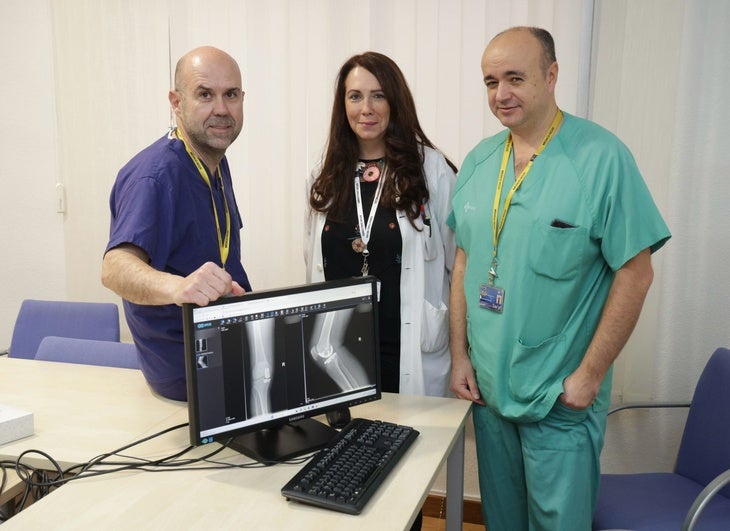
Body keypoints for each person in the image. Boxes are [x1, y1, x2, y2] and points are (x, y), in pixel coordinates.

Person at [447, 27, 671, 530]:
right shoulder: (480, 162)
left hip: (558, 397)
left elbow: (635, 273)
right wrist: (461, 356)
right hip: (489, 392)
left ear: (552, 76)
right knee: (502, 521)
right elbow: (465, 262)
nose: (500, 94)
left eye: (514, 78)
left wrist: (588, 377)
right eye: (490, 81)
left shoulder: (602, 159)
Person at [101, 46, 252, 401]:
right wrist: (180, 288)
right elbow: (114, 268)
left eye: (230, 94)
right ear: (176, 101)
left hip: (226, 362)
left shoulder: (213, 161)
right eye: (205, 94)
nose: (221, 108)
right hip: (188, 384)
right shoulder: (155, 177)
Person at [305, 51, 457, 399]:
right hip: (338, 350)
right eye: (355, 96)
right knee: (346, 447)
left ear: (395, 101)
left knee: (412, 445)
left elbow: (457, 264)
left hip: (408, 347)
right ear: (342, 106)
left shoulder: (431, 171)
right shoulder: (323, 176)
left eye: (378, 95)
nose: (366, 108)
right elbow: (312, 261)